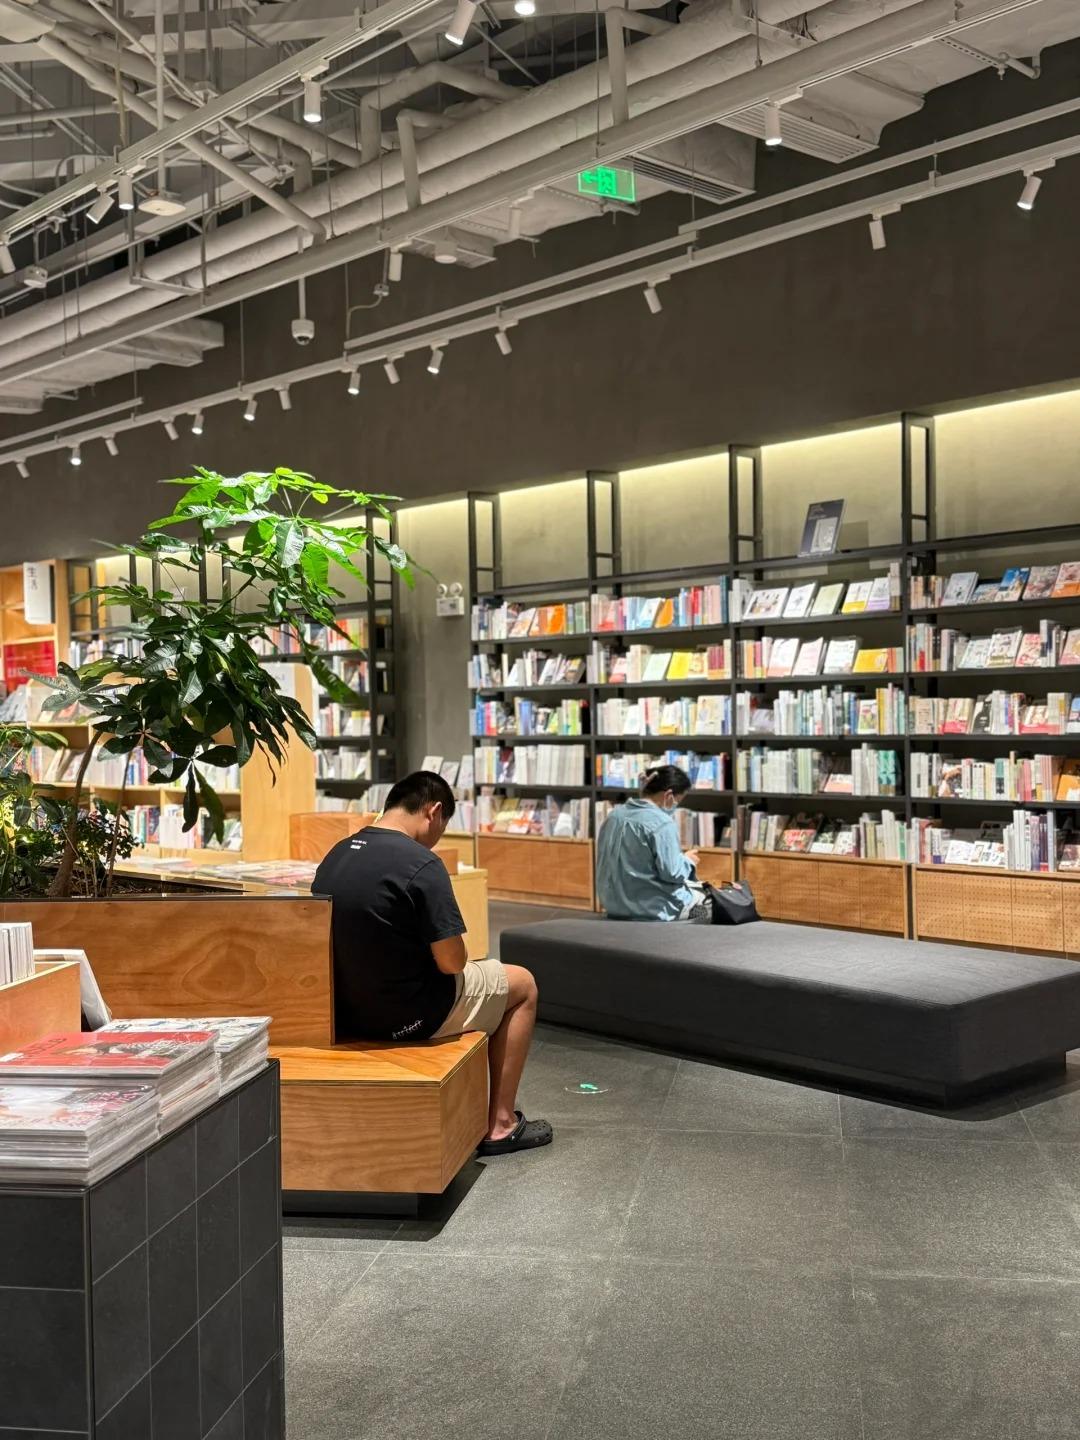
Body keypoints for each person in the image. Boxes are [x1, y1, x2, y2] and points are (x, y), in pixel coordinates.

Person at [311, 770, 552, 1155]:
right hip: (410, 1015)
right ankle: (501, 1124)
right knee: (523, 984)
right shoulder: (421, 863)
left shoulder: (337, 853)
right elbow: (452, 963)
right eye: (444, 824)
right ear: (434, 811)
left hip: (347, 1013)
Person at [595, 765, 713, 922]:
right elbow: (672, 874)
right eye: (678, 800)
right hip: (652, 909)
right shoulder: (662, 823)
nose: (676, 805)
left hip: (613, 905)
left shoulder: (613, 816)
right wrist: (688, 861)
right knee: (715, 902)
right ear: (669, 795)